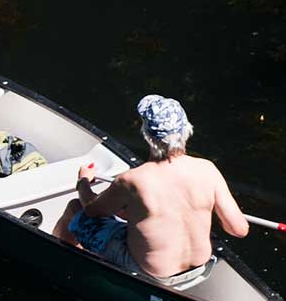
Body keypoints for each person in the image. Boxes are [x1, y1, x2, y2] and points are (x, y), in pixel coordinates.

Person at [54, 93, 247, 288]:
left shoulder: (132, 180)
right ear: (186, 129)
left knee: (74, 209)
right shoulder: (207, 169)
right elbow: (238, 229)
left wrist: (83, 182)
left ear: (147, 134)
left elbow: (91, 210)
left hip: (153, 273)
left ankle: (62, 267)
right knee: (130, 216)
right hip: (200, 268)